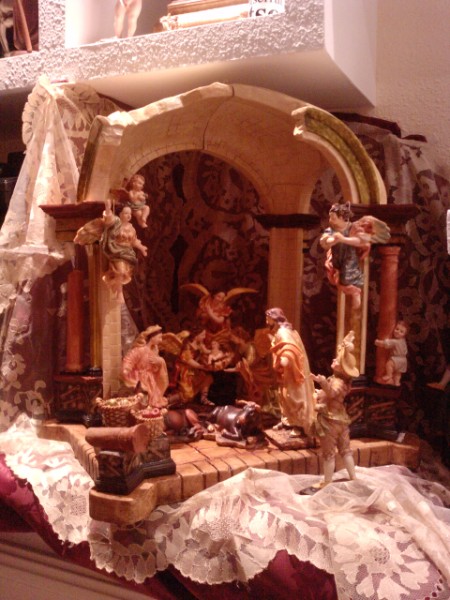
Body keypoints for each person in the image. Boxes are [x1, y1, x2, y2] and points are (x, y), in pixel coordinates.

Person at [74, 197, 147, 303]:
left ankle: (117, 290)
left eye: (130, 214)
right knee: (120, 271)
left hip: (127, 254)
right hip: (116, 251)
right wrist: (108, 209)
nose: (128, 216)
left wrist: (142, 248)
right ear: (120, 214)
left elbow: (133, 240)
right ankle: (119, 293)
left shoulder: (131, 227)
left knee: (123, 274)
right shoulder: (116, 223)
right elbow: (109, 220)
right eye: (126, 213)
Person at [312, 331, 359, 486]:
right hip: (340, 420)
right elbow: (329, 395)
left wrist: (323, 382)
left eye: (337, 360)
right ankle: (353, 477)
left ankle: (327, 481)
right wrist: (320, 389)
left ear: (342, 368)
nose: (333, 360)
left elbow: (332, 393)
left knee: (329, 453)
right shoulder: (339, 380)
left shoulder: (338, 382)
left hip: (331, 421)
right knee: (345, 450)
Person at [265, 307, 315, 437]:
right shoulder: (280, 331)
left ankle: (298, 425)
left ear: (274, 318)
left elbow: (290, 348)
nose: (266, 321)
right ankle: (287, 421)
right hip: (285, 372)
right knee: (284, 395)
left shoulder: (283, 332)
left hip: (291, 369)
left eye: (268, 318)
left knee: (293, 396)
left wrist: (285, 359)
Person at [122, 325, 169, 409]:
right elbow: (130, 358)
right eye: (159, 337)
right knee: (142, 396)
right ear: (152, 337)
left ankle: (150, 410)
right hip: (140, 378)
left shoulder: (154, 350)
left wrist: (159, 361)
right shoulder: (141, 350)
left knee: (152, 397)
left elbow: (155, 367)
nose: (161, 340)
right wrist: (127, 367)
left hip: (150, 379)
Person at [375, 321, 408, 386]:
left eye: (401, 332)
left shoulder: (395, 341)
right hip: (403, 360)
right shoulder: (403, 341)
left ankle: (389, 375)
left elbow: (385, 344)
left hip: (396, 358)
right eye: (397, 329)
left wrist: (378, 342)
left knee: (389, 364)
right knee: (398, 373)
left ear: (404, 334)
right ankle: (397, 382)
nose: (398, 332)